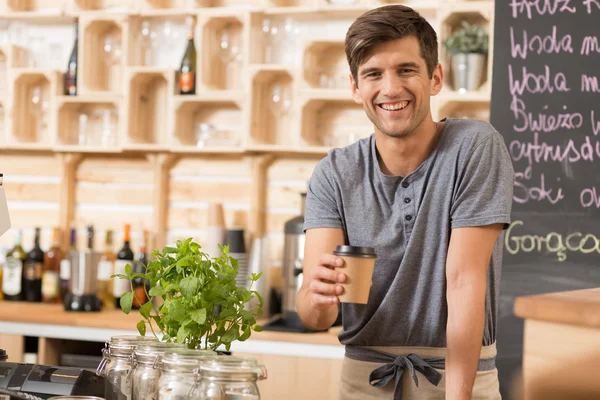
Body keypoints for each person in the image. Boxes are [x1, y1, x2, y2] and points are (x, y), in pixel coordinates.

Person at [296, 4, 515, 400]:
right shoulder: (334, 173)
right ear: (355, 87)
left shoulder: (475, 147)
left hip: (460, 378)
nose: (391, 88)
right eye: (373, 74)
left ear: (435, 78)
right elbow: (317, 315)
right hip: (366, 382)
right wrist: (316, 295)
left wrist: (458, 396)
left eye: (406, 70)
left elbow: (464, 280)